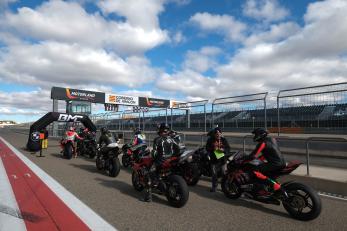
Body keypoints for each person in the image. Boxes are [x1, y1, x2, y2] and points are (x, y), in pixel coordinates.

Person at [140, 123, 180, 202]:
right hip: (170, 160)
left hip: (160, 161)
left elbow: (154, 153)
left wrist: (153, 157)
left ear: (160, 130)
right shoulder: (172, 139)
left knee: (148, 174)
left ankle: (148, 197)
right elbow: (177, 149)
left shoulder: (157, 139)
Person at [241, 128, 286, 195]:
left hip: (275, 164)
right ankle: (264, 187)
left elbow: (253, 155)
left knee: (255, 170)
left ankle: (274, 185)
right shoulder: (272, 139)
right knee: (264, 172)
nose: (255, 136)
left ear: (260, 135)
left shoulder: (263, 143)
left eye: (256, 134)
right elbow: (268, 153)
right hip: (281, 163)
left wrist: (244, 160)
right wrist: (258, 159)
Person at [205, 127, 231, 192]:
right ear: (214, 134)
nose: (218, 135)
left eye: (219, 133)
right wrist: (213, 148)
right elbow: (207, 148)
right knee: (214, 174)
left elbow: (228, 148)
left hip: (222, 159)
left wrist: (223, 150)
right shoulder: (210, 140)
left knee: (224, 174)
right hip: (214, 160)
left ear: (221, 133)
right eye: (216, 133)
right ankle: (214, 187)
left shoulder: (223, 140)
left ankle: (225, 187)